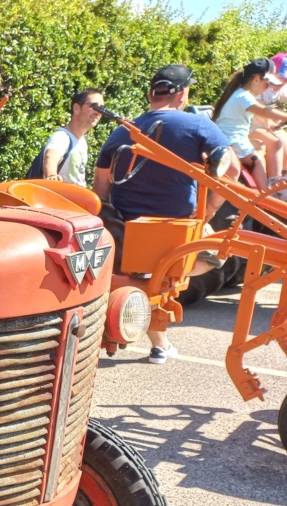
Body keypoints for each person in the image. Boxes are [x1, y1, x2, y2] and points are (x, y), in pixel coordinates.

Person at [93, 64, 239, 364]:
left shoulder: (123, 129)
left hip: (127, 232)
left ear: (151, 94)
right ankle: (154, 308)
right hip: (178, 233)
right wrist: (208, 214)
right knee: (218, 255)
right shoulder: (199, 126)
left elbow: (101, 185)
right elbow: (231, 171)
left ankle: (156, 332)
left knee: (146, 277)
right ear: (183, 94)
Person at [212, 58, 287, 196]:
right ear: (256, 79)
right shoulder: (243, 96)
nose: (269, 87)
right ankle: (266, 198)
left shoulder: (239, 93)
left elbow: (263, 116)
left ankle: (271, 188)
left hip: (232, 138)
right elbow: (264, 111)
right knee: (257, 161)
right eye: (267, 83)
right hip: (233, 141)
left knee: (261, 148)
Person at [249, 53, 287, 200]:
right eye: (280, 76)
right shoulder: (259, 85)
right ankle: (274, 189)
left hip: (272, 124)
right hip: (250, 124)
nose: (282, 81)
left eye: (286, 78)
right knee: (274, 144)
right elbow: (259, 114)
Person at [37, 90, 105, 186]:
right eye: (94, 106)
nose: (98, 112)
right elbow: (50, 156)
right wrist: (51, 175)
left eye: (102, 108)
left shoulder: (82, 141)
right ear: (76, 108)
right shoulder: (62, 137)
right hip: (60, 198)